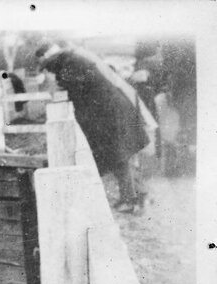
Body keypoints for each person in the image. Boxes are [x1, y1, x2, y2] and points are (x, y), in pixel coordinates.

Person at [36, 42, 155, 212]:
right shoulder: (71, 60)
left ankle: (131, 200)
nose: (51, 74)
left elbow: (78, 96)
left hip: (111, 114)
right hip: (113, 111)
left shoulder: (69, 65)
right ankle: (139, 196)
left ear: (49, 62)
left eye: (48, 69)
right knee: (123, 155)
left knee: (120, 157)